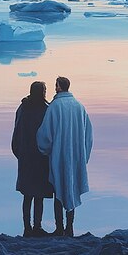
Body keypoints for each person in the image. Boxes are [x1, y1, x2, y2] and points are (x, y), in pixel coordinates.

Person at [37, 76, 93, 237]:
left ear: (60, 87)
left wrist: (45, 150)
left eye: (56, 85)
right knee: (71, 188)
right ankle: (70, 227)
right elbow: (88, 135)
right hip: (75, 157)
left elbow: (45, 134)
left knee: (58, 190)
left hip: (58, 155)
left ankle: (59, 228)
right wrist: (84, 155)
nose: (55, 88)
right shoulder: (79, 106)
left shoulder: (54, 107)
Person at [11, 81, 54, 237]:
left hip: (25, 157)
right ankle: (37, 226)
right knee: (39, 194)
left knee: (27, 193)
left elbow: (16, 132)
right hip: (41, 157)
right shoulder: (46, 110)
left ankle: (27, 227)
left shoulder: (23, 108)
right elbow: (50, 135)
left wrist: (19, 152)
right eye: (44, 89)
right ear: (41, 92)